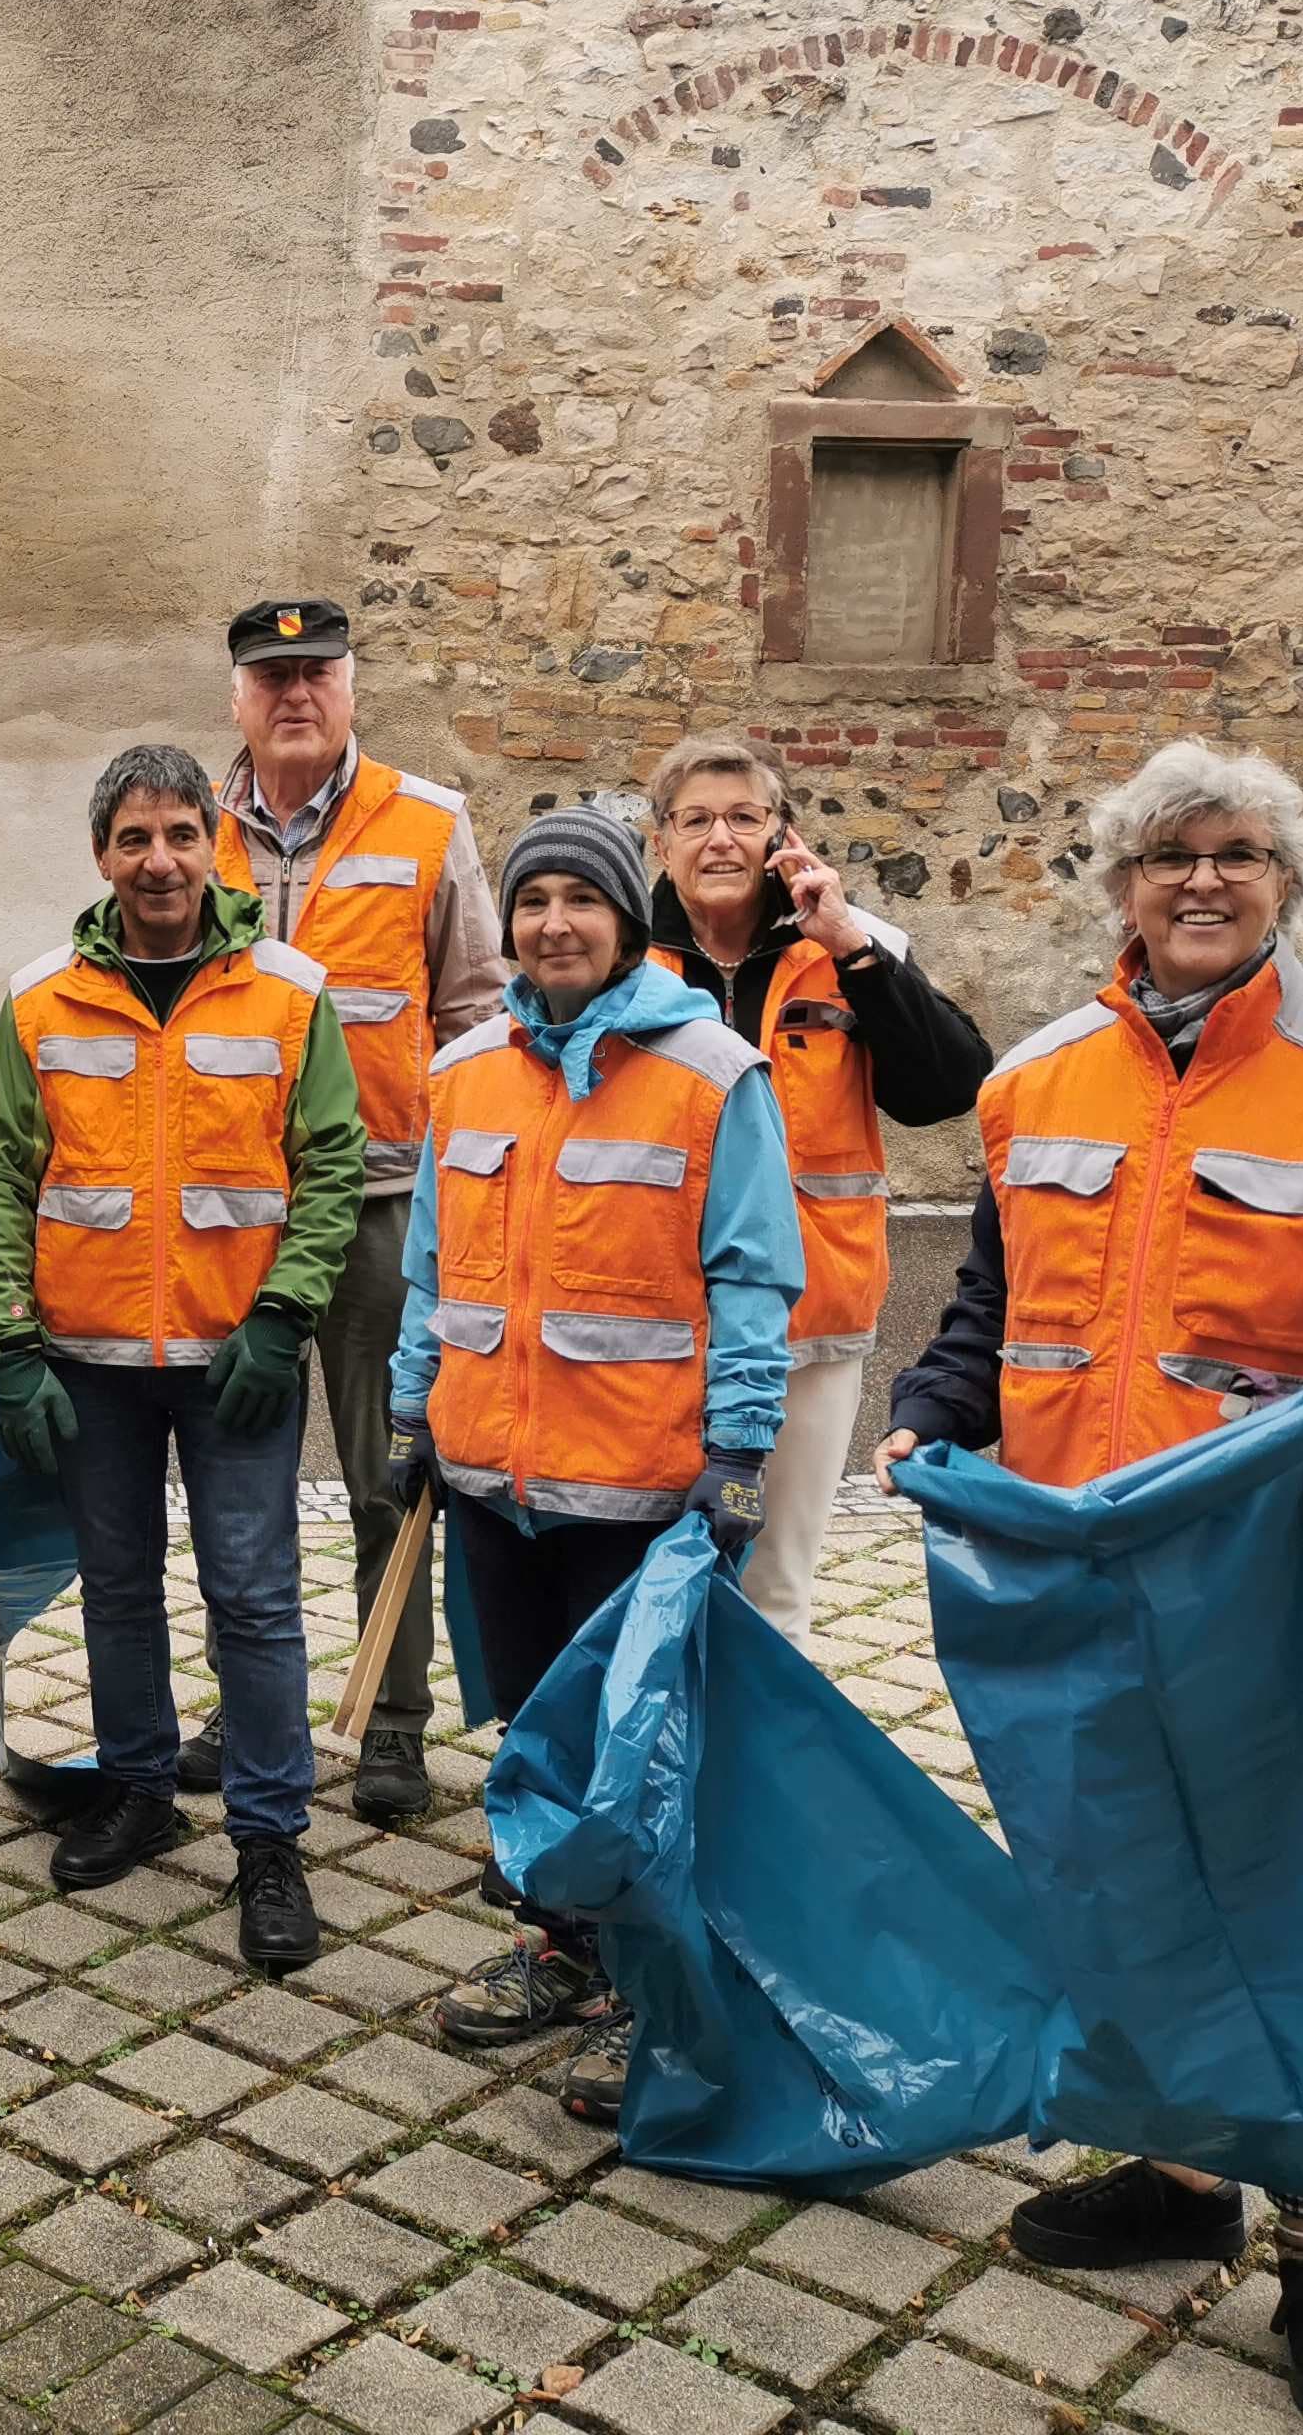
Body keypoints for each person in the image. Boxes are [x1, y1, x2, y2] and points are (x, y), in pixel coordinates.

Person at [878, 739, 1303, 2435]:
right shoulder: (1029, 1088)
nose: (1200, 880)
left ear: (1282, 880)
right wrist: (925, 1414)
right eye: (1166, 855)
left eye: (1235, 852)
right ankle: (1177, 2176)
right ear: (1116, 884)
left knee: (1264, 1905)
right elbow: (989, 1307)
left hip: (1262, 1572)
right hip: (1061, 1566)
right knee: (1106, 1875)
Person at [385, 804, 801, 2121]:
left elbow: (751, 1278)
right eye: (531, 901)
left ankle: (674, 2004)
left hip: (638, 1491)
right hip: (497, 1482)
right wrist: (412, 1417)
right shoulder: (464, 1075)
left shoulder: (712, 1075)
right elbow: (430, 1272)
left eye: (580, 899)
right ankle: (569, 1951)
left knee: (646, 1755)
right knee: (536, 1735)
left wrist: (739, 1452)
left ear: (627, 919)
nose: (552, 924)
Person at [0, 743, 364, 1977]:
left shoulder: (289, 993)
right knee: (120, 1586)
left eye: (181, 835)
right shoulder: (41, 1000)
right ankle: (137, 1788)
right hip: (89, 1361)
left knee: (251, 1595)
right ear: (102, 858)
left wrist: (288, 1315)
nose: (160, 862)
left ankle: (269, 1834)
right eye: (134, 840)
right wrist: (12, 1347)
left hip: (240, 1356)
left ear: (214, 847)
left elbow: (332, 1164)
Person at [202, 600, 506, 1822]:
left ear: (350, 686)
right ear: (236, 696)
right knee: (240, 1482)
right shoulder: (188, 827)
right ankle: (253, 1707)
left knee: (389, 1471)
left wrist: (468, 1194)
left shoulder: (428, 822)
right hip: (232, 1212)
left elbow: (480, 1011)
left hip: (385, 1202)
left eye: (315, 673)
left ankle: (390, 1720)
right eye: (269, 676)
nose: (294, 695)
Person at [641, 731, 988, 1639]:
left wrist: (853, 942)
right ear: (660, 842)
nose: (721, 839)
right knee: (645, 1571)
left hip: (813, 1311)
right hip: (654, 1312)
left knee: (778, 1583)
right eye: (696, 820)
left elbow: (950, 1086)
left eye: (745, 818)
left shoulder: (850, 949)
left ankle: (757, 1777)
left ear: (781, 838)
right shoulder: (624, 961)